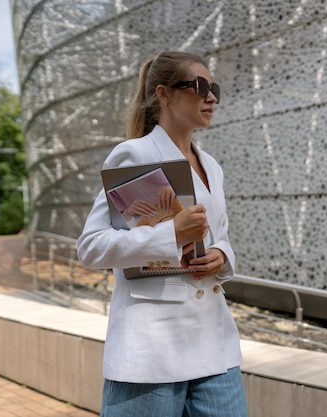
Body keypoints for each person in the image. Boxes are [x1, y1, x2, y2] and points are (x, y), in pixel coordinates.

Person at [77, 51, 248, 417]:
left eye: (213, 87)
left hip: (215, 342)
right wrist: (172, 233)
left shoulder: (212, 167)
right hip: (152, 349)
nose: (212, 97)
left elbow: (221, 234)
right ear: (164, 93)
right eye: (200, 86)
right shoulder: (134, 154)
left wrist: (222, 257)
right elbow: (91, 248)